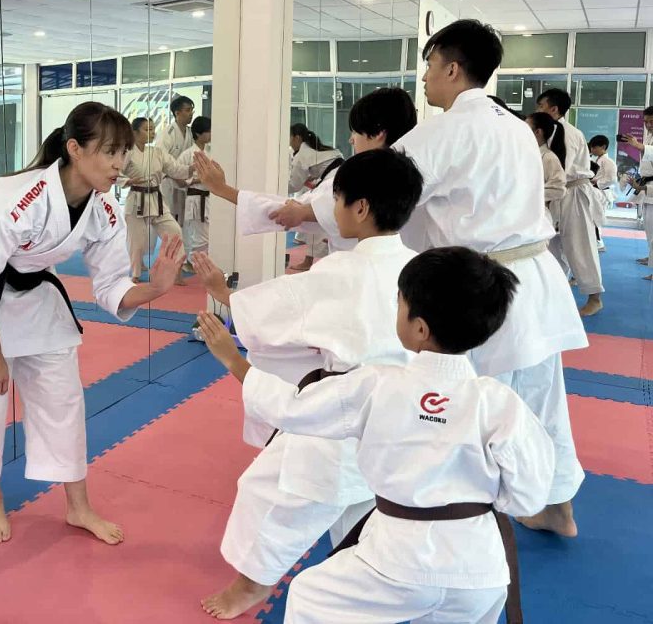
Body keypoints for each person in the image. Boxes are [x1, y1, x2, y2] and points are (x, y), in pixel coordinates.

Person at [196, 247, 555, 624]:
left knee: (308, 596)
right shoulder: (501, 403)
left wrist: (233, 359)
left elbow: (293, 408)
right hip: (481, 569)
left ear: (420, 328)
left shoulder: (376, 385)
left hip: (397, 563)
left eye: (400, 303)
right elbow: (529, 495)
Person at [0, 102, 185, 545]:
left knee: (63, 398)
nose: (120, 163)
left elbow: (111, 285)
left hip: (34, 286)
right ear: (75, 149)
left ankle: (79, 507)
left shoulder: (103, 209)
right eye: (110, 152)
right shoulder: (17, 198)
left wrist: (156, 288)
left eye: (124, 152)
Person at [191, 148, 423, 620]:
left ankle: (252, 586)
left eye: (336, 198)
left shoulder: (343, 269)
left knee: (282, 496)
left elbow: (284, 311)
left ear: (360, 208)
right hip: (405, 415)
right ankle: (367, 578)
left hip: (342, 411)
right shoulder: (421, 266)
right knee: (362, 504)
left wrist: (224, 295)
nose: (332, 208)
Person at [387, 20, 584, 537]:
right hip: (535, 277)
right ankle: (557, 506)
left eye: (430, 65)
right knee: (542, 397)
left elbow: (384, 189)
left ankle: (467, 514)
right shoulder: (515, 126)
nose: (426, 78)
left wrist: (305, 210)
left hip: (483, 287)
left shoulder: (444, 131)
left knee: (474, 402)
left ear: (452, 69)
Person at [195, 88, 417, 260]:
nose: (351, 139)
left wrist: (222, 190)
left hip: (354, 269)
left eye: (355, 132)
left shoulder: (360, 177)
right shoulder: (412, 172)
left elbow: (297, 207)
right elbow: (306, 207)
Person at [536, 89, 605, 316]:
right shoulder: (551, 132)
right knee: (552, 248)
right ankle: (556, 293)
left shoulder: (568, 133)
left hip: (573, 193)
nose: (538, 111)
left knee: (580, 245)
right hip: (557, 194)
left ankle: (595, 298)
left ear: (554, 109)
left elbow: (561, 171)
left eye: (541, 106)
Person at [121, 117, 190, 283]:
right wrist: (127, 181)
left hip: (156, 199)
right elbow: (114, 172)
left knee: (174, 231)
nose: (152, 132)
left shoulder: (157, 152)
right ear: (134, 133)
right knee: (137, 240)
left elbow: (175, 169)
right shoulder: (127, 152)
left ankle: (176, 271)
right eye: (147, 129)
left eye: (153, 129)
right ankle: (135, 274)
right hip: (136, 200)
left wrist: (193, 168)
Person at [286, 124, 343, 270]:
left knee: (316, 217)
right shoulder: (316, 147)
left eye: (290, 137)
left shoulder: (302, 154)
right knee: (324, 220)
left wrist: (277, 184)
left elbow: (294, 185)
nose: (289, 141)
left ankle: (308, 261)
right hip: (339, 177)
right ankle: (313, 259)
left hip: (332, 182)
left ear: (297, 137)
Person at [176, 116, 212, 270]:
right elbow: (177, 177)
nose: (211, 134)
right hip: (196, 197)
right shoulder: (187, 154)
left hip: (209, 197)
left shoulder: (211, 151)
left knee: (208, 234)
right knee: (198, 235)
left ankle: (201, 262)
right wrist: (196, 180)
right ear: (198, 134)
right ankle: (193, 262)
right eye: (208, 131)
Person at [154, 95, 195, 225]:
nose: (191, 113)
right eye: (187, 110)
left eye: (192, 110)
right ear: (177, 113)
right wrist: (177, 177)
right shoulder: (167, 133)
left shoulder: (191, 133)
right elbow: (159, 159)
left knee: (182, 219)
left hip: (185, 182)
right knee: (168, 218)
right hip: (169, 182)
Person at [622, 107, 653, 277]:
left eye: (652, 122)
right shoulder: (649, 136)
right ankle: (651, 257)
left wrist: (639, 146)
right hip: (647, 186)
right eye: (646, 122)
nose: (648, 125)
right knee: (649, 229)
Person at [526, 112, 567, 222]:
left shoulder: (548, 157)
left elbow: (558, 189)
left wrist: (526, 195)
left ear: (538, 132)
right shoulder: (529, 153)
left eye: (526, 127)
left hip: (537, 215)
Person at [589, 134, 615, 251]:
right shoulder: (597, 160)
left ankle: (598, 242)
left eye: (595, 147)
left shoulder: (608, 161)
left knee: (596, 217)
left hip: (601, 192)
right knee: (592, 217)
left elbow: (612, 179)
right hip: (595, 191)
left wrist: (596, 182)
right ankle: (595, 241)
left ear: (603, 147)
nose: (592, 150)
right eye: (592, 147)